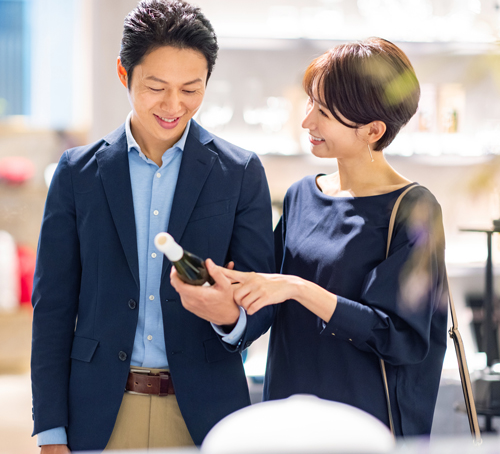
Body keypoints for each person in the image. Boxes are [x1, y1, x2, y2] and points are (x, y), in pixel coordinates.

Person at [30, 0, 275, 452]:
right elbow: (52, 308)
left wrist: (229, 315)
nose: (173, 105)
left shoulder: (240, 173)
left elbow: (262, 301)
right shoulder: (77, 173)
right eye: (156, 86)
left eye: (191, 89)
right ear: (124, 73)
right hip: (97, 415)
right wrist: (51, 430)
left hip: (205, 415)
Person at [172, 37, 448, 437]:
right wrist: (230, 294)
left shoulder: (413, 209)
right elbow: (267, 296)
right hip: (289, 416)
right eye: (310, 104)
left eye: (324, 112)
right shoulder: (302, 195)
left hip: (365, 425)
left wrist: (299, 289)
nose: (307, 122)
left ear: (373, 130)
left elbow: (402, 339)